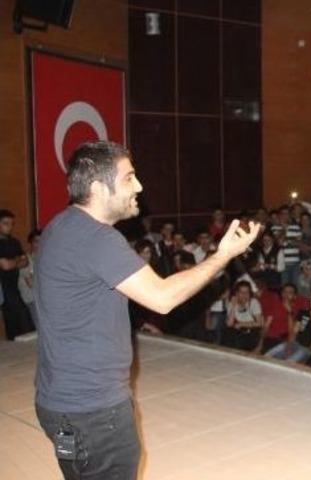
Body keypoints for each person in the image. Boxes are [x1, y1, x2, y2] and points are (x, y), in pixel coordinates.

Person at [34, 141, 260, 480]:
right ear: (98, 188)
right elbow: (163, 297)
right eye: (129, 179)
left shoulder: (59, 228)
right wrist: (223, 255)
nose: (139, 187)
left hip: (61, 404)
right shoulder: (97, 239)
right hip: (94, 412)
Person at [265, 286, 311, 362]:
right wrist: (290, 345)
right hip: (295, 343)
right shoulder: (303, 312)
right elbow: (294, 331)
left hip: (307, 349)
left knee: (289, 362)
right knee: (268, 355)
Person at [0, 208, 32, 339]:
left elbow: (25, 262)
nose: (10, 227)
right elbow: (6, 266)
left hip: (13, 286)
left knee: (18, 321)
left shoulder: (14, 242)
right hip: (3, 287)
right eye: (5, 223)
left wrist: (14, 261)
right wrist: (17, 260)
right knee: (20, 318)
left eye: (11, 224)